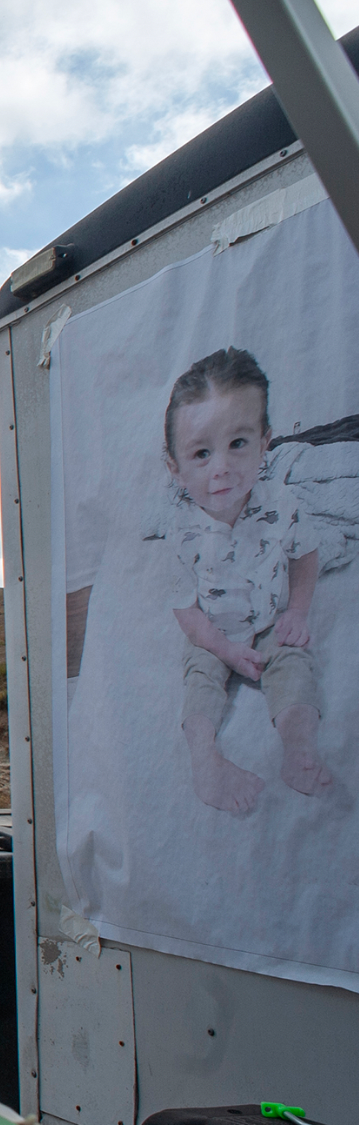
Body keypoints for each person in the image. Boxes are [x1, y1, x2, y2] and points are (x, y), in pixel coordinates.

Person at [161, 348, 332, 812]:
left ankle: (298, 750)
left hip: (269, 617)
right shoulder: (181, 532)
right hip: (211, 630)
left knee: (295, 664)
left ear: (265, 442)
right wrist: (225, 650)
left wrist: (296, 610)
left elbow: (306, 554)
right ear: (175, 468)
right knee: (200, 678)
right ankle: (205, 759)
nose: (222, 467)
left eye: (238, 443)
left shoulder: (280, 502)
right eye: (201, 453)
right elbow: (186, 613)